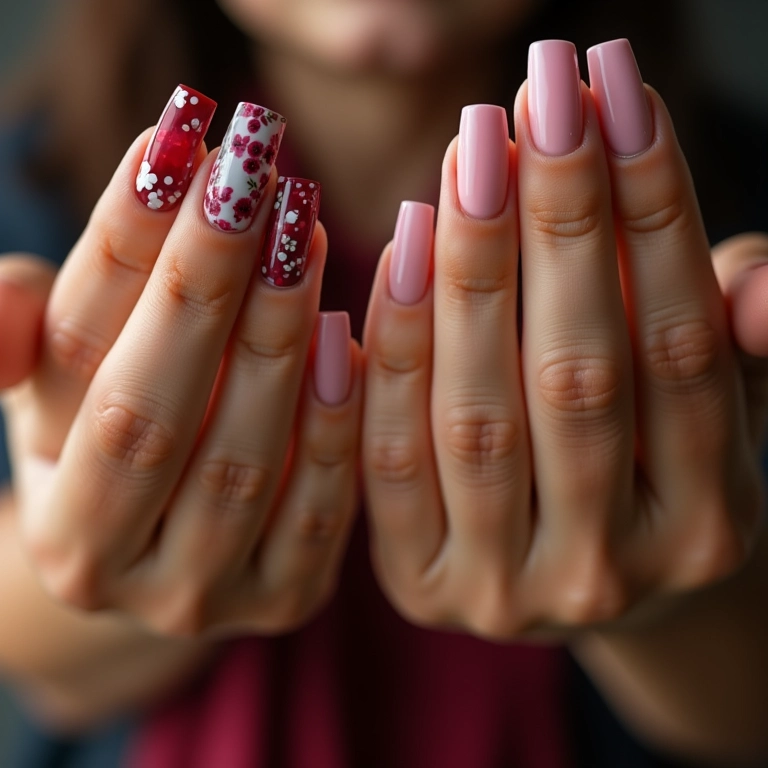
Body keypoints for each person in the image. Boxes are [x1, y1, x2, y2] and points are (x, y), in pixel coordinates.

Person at [0, 0, 767, 766]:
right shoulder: (31, 191)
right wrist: (97, 568)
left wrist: (664, 604)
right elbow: (45, 668)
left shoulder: (732, 202)